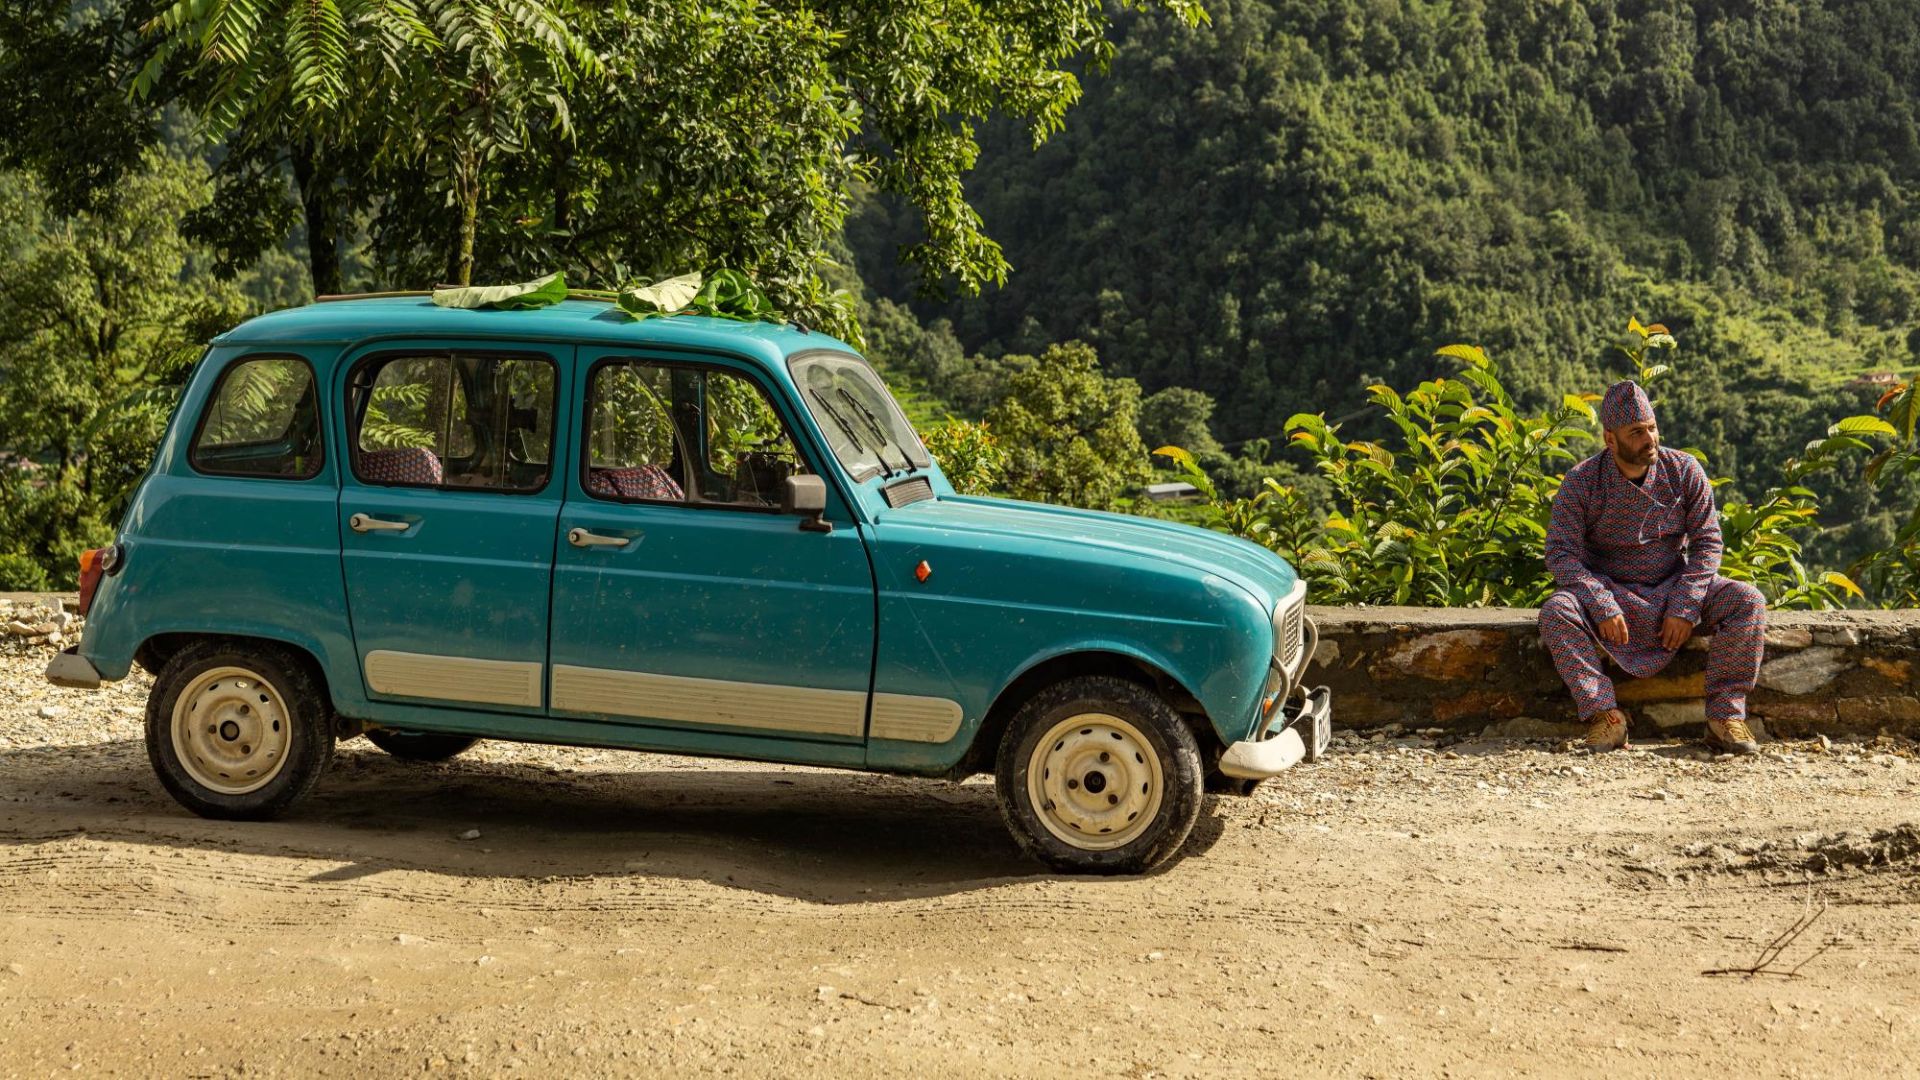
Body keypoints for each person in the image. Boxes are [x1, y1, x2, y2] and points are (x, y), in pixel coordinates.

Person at [1538, 380, 1767, 754]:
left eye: (1652, 427)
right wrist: (1599, 602)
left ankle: (1725, 718)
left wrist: (1685, 605)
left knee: (1748, 601)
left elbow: (1708, 541)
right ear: (1610, 440)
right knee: (1556, 612)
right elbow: (1561, 552)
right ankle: (1605, 718)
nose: (1649, 439)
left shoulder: (1684, 470)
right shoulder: (1581, 482)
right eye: (1636, 432)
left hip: (1674, 587)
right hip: (1610, 592)